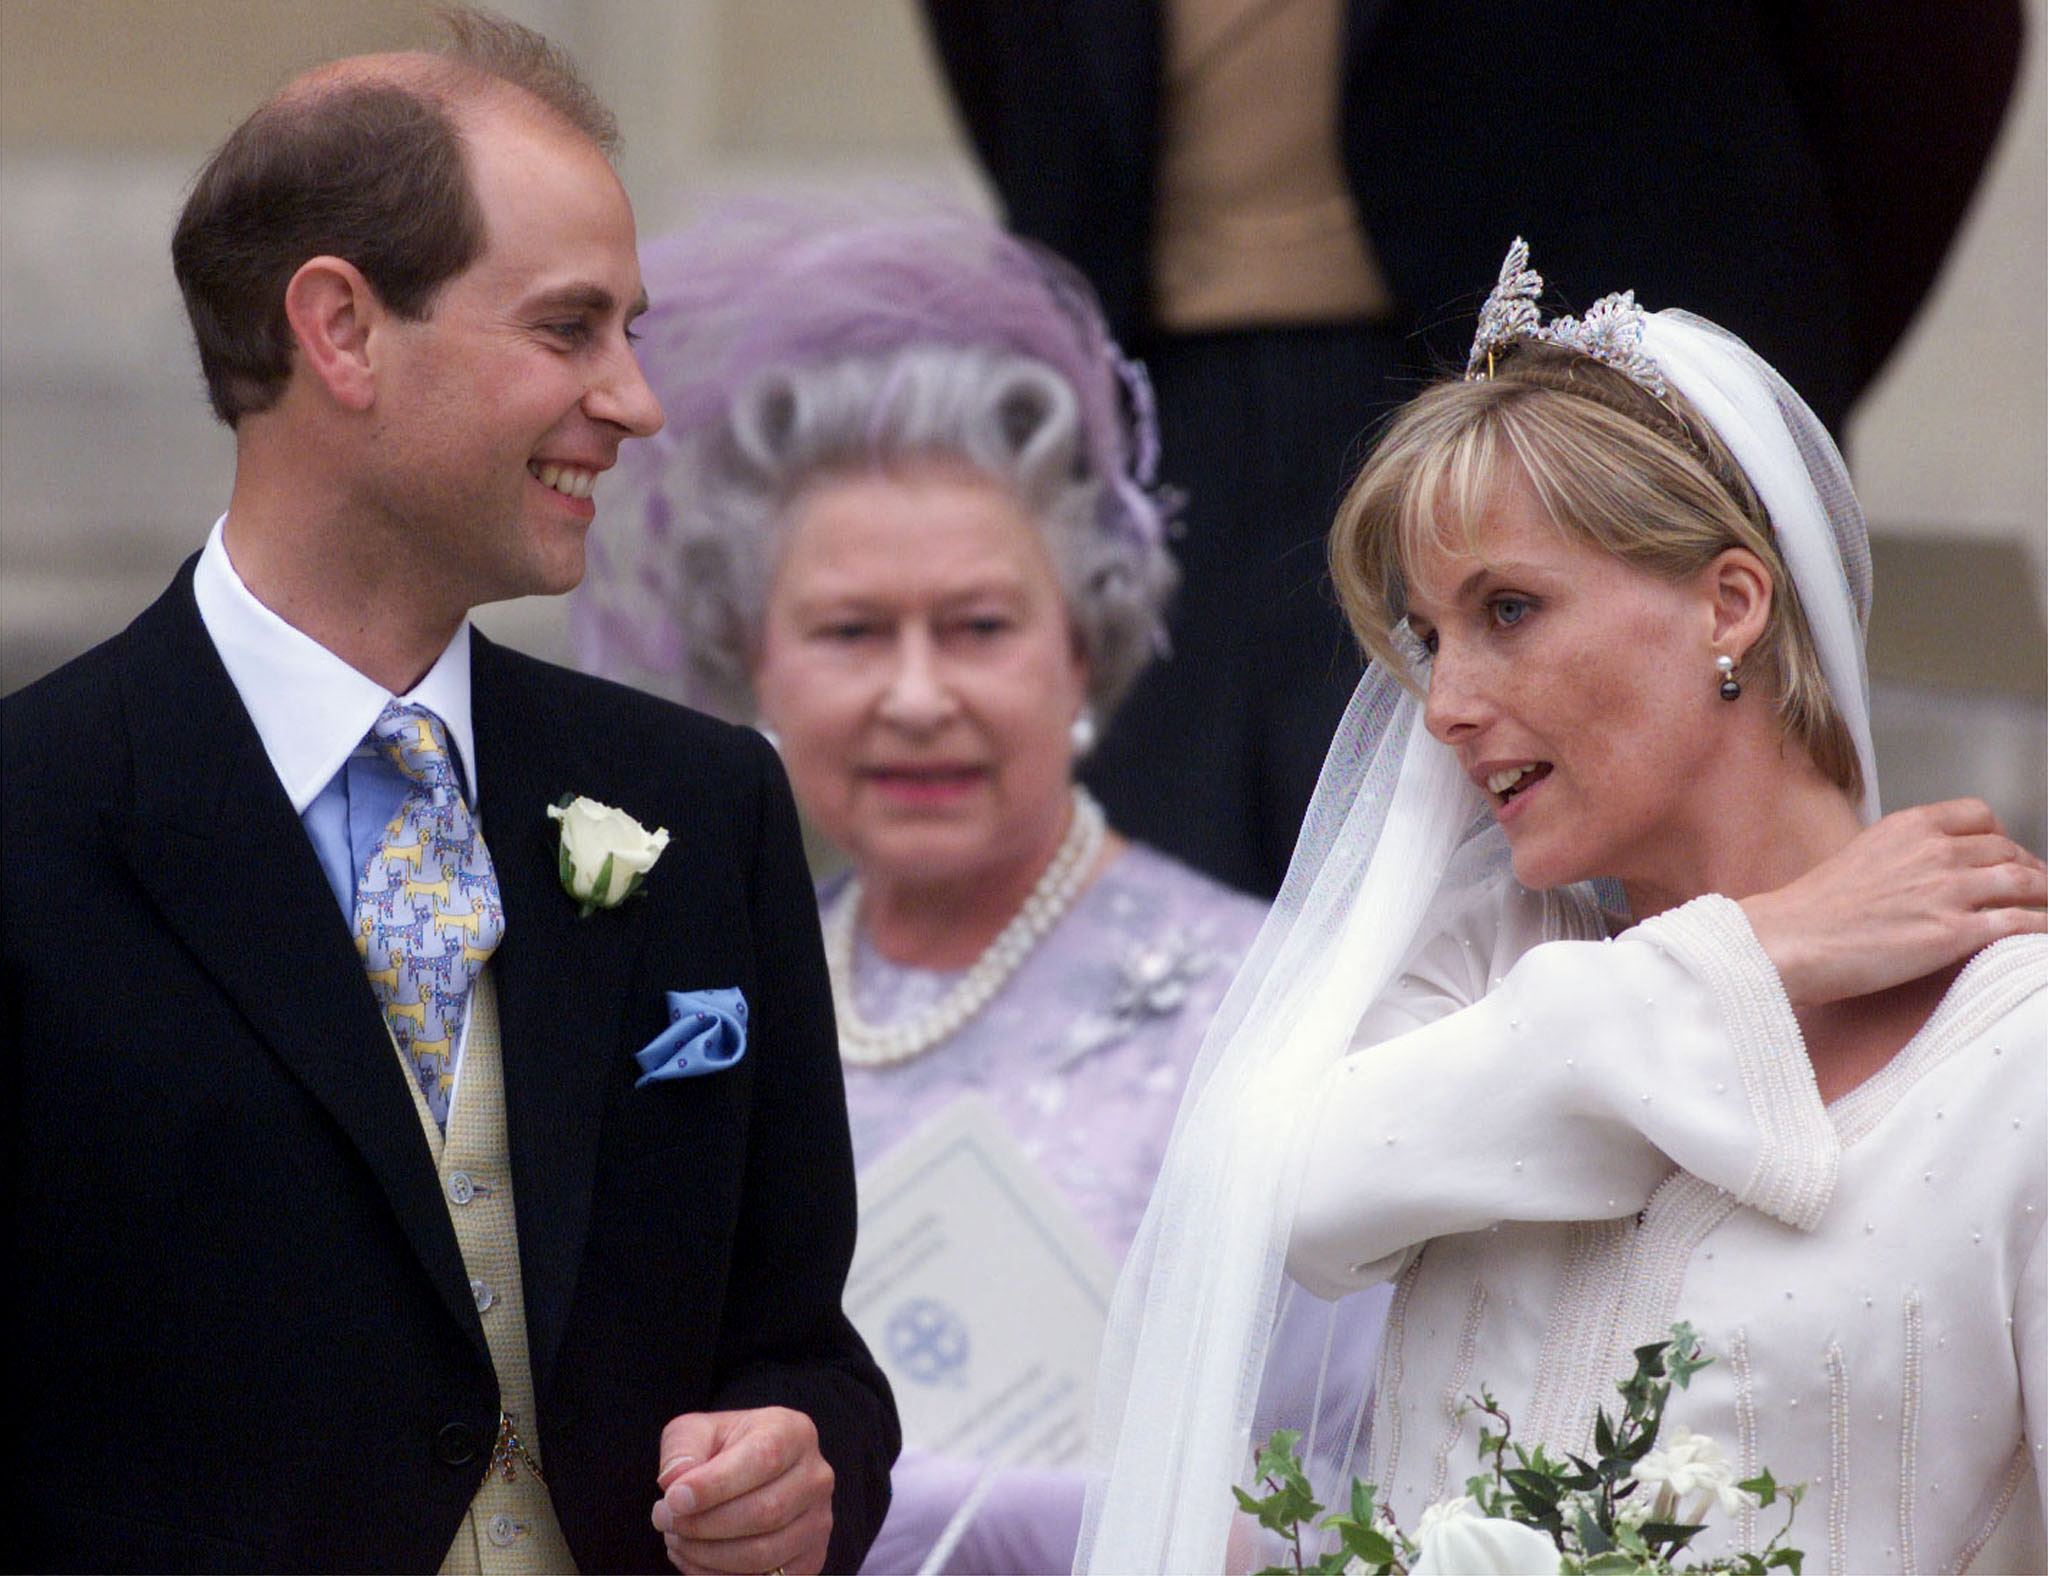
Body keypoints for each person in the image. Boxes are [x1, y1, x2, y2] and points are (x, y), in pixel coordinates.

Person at [1, 14, 895, 1573]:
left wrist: (803, 1466)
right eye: (569, 331)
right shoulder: (29, 821)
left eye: (632, 333)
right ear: (341, 331)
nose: (636, 401)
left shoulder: (703, 805)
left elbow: (803, 1349)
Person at [1077, 242, 2048, 1573]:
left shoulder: (2022, 1056)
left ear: (1732, 602)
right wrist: (1756, 957)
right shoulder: (1472, 970)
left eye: (1511, 610)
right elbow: (1283, 1193)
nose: (1449, 703)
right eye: (1429, 637)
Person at [919, 0, 2027, 899]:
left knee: (1554, 892)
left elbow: (1925, 56)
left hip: (1555, 413)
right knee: (1148, 932)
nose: (1445, 694)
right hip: (1156, 412)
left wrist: (1729, 398)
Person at [575, 203, 1301, 1574]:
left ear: (1082, 648)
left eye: (977, 628)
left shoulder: (1263, 1009)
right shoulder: (698, 1011)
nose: (917, 697)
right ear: (757, 667)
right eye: (850, 633)